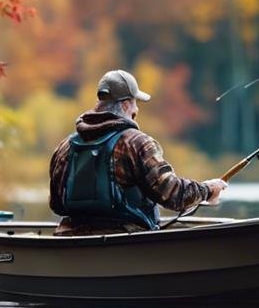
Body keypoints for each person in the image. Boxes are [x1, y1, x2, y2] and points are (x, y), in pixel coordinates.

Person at [49, 69, 227, 235]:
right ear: (126, 105)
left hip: (72, 240)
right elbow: (172, 194)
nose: (137, 109)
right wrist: (208, 190)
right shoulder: (136, 143)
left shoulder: (65, 146)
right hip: (125, 241)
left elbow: (56, 205)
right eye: (135, 103)